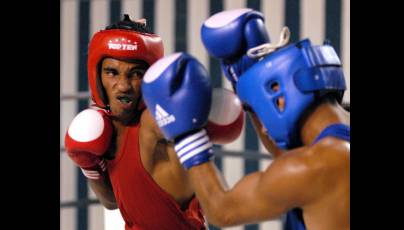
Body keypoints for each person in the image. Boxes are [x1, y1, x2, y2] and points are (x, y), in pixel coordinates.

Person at [142, 8, 350, 230]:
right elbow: (292, 161)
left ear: (278, 95)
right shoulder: (329, 153)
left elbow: (223, 211)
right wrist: (246, 81)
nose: (265, 129)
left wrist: (186, 134)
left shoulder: (315, 167)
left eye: (258, 105)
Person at [64, 14, 244, 230]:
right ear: (97, 76)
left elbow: (190, 114)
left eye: (136, 73)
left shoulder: (153, 121)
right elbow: (112, 202)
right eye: (112, 72)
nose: (123, 86)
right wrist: (90, 166)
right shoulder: (103, 129)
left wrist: (209, 110)